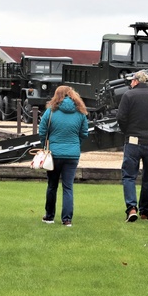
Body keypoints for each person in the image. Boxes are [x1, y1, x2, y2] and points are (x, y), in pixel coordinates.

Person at [116, 70, 148, 222]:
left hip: (132, 141)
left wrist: (127, 132)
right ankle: (145, 211)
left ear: (136, 81)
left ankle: (131, 208)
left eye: (132, 80)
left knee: (129, 176)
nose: (130, 83)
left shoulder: (128, 95)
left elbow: (121, 117)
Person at [37, 85, 89, 227]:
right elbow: (84, 133)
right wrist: (75, 143)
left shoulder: (51, 112)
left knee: (52, 185)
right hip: (72, 154)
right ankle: (67, 219)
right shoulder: (80, 112)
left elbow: (42, 131)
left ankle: (49, 216)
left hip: (53, 153)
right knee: (68, 187)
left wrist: (45, 145)